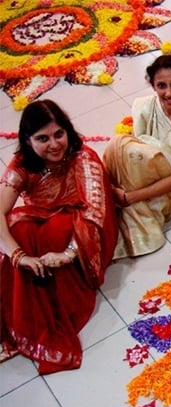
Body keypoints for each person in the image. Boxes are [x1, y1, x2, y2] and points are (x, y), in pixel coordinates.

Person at [0, 100, 118, 374]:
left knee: (53, 231)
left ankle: (56, 308)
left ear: (67, 132)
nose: (54, 144)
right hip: (43, 223)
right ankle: (29, 316)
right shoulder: (22, 165)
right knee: (18, 228)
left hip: (85, 233)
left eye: (58, 134)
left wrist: (66, 254)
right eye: (43, 138)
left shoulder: (84, 158)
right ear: (28, 141)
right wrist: (21, 257)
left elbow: (95, 215)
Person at [103, 54, 171, 258]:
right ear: (153, 87)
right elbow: (138, 152)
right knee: (119, 145)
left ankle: (115, 198)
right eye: (161, 86)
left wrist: (128, 197)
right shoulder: (147, 106)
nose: (169, 93)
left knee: (125, 154)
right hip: (152, 173)